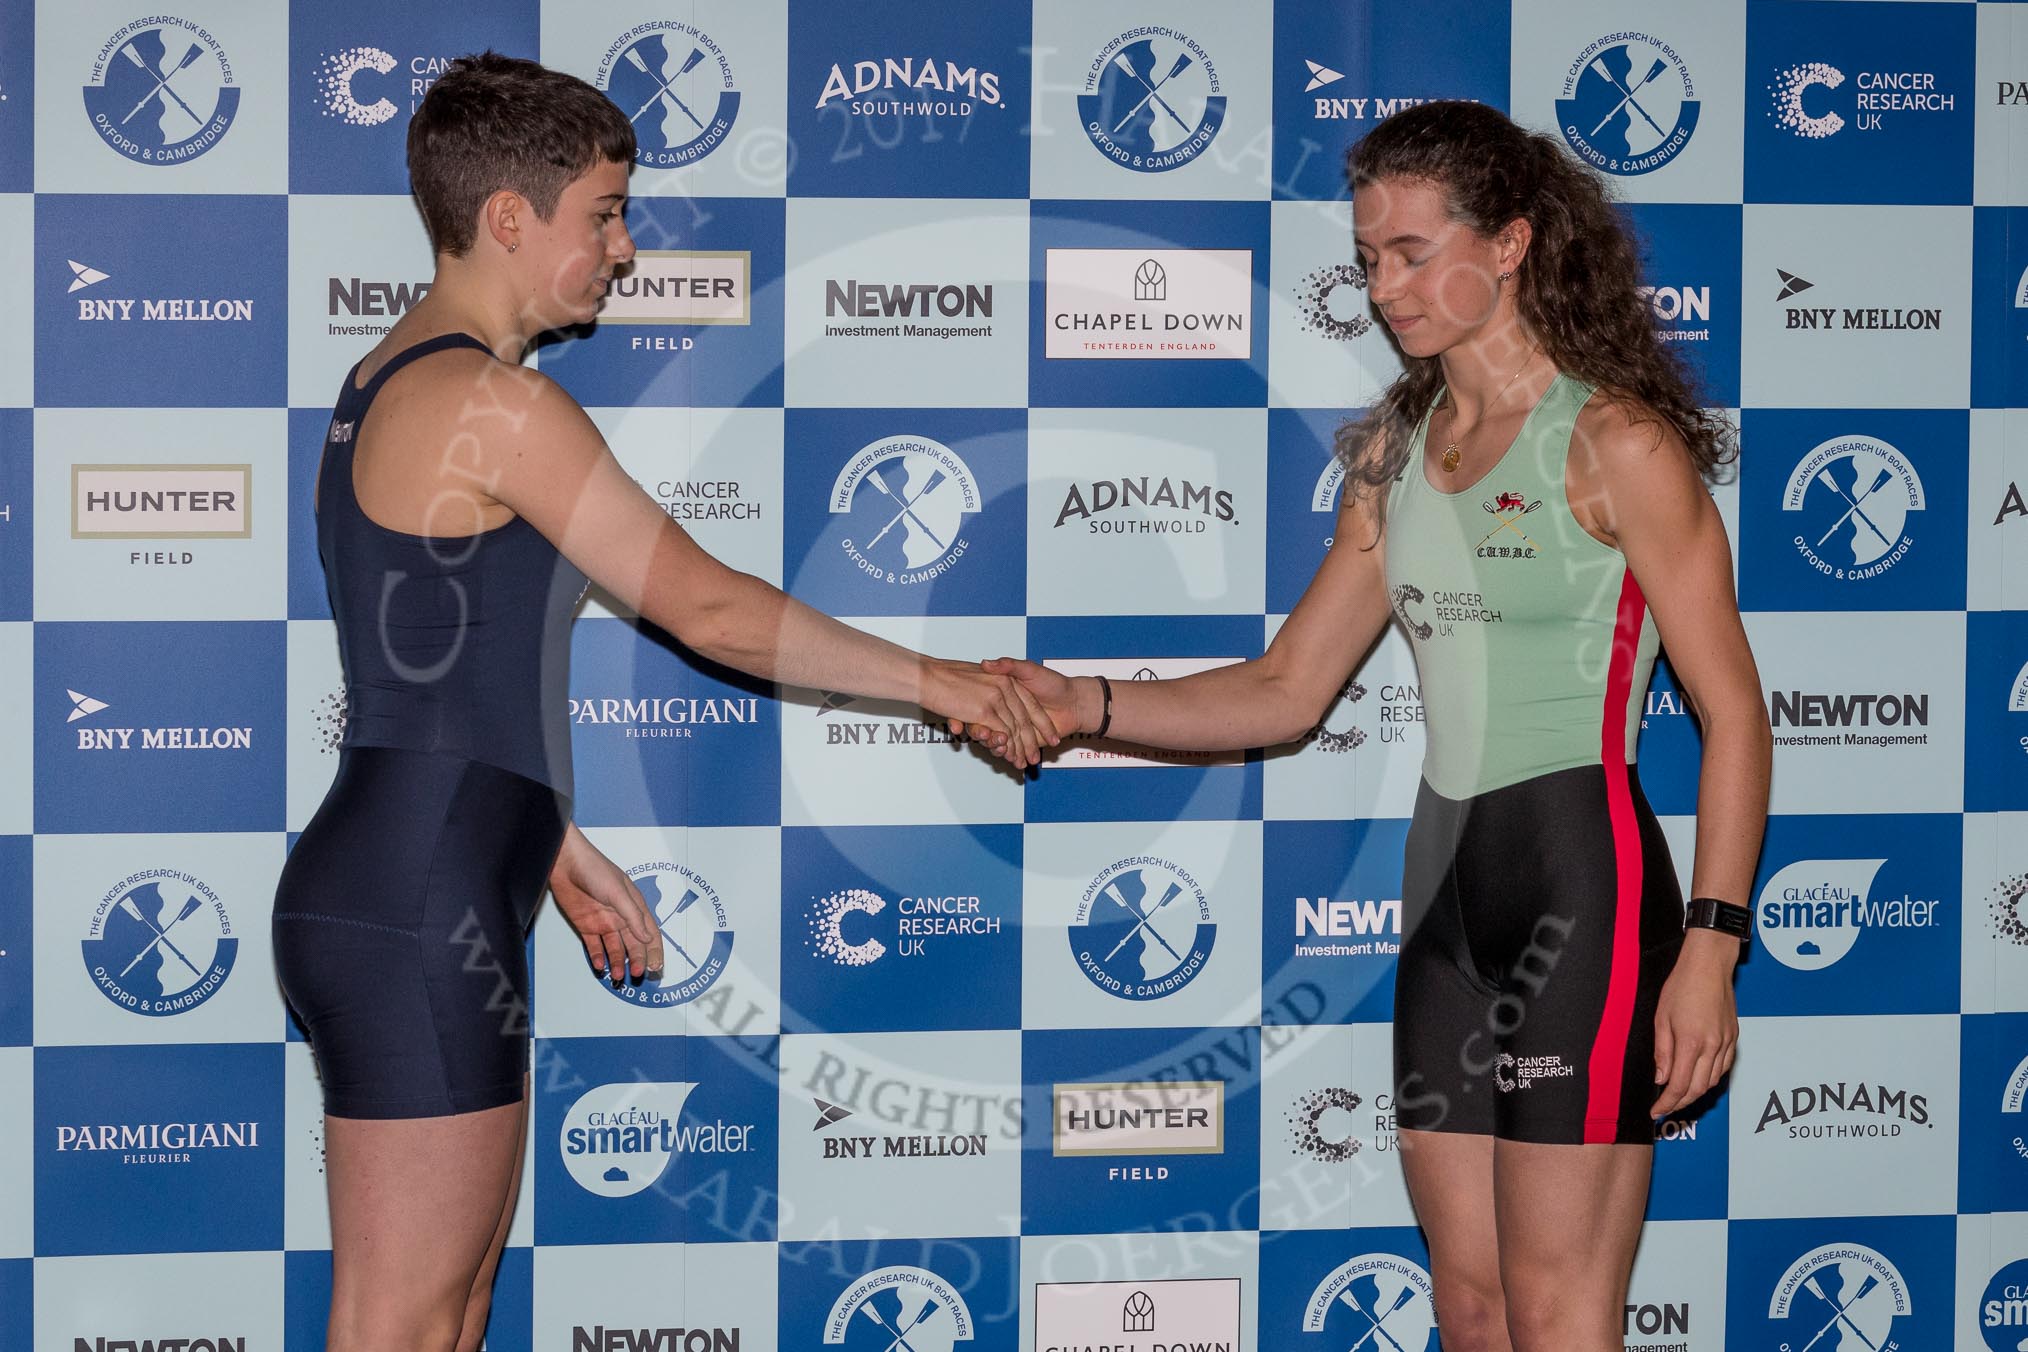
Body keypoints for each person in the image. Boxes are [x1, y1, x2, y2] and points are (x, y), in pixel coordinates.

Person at [271, 53, 1054, 1352]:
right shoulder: (495, 403)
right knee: (407, 1320)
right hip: (417, 900)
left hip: (409, 875)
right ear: (509, 217)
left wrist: (550, 841)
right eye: (604, 214)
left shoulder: (384, 382)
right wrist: (950, 685)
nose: (624, 249)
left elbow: (428, 674)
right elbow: (710, 609)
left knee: (442, 1316)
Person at [989, 100, 1771, 1352]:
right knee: (1470, 1304)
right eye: (1367, 258)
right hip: (1444, 895)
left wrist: (1712, 949)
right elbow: (1286, 688)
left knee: (1560, 1311)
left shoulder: (1616, 442)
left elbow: (1733, 713)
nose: (1383, 287)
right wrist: (1090, 704)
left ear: (1510, 243)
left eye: (1412, 251)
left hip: (1587, 879)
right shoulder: (1394, 453)